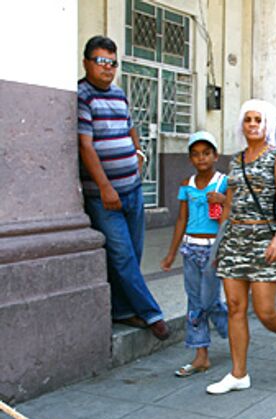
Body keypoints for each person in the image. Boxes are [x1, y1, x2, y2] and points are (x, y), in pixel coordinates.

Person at [206, 99, 276, 395]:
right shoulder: (235, 161)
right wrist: (219, 243)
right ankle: (239, 374)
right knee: (235, 309)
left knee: (265, 312)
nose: (252, 124)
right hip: (234, 240)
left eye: (258, 120)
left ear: (267, 125)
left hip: (264, 240)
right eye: (248, 119)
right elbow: (232, 202)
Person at [77, 35, 170, 340]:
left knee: (134, 252)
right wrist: (105, 187)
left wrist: (138, 153)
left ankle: (121, 311)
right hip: (105, 196)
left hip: (133, 188)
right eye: (101, 61)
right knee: (122, 255)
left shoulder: (119, 94)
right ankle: (151, 312)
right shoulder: (82, 96)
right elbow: (85, 146)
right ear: (87, 63)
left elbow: (131, 127)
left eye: (113, 63)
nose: (108, 68)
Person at [161, 131, 229, 377]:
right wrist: (171, 253)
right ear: (190, 158)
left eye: (206, 153)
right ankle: (201, 355)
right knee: (195, 302)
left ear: (215, 156)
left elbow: (231, 216)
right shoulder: (186, 186)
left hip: (213, 249)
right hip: (190, 248)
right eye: (196, 154)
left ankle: (232, 330)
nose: (201, 159)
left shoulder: (224, 182)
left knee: (210, 301)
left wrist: (222, 200)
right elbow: (181, 219)